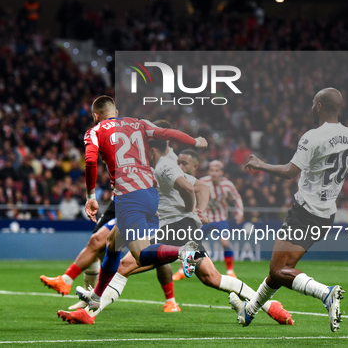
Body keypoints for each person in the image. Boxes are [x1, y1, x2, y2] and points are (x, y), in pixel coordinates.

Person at [230, 88, 348, 332]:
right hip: (326, 216)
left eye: (314, 103)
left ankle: (326, 294)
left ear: (320, 106)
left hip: (304, 212)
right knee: (281, 271)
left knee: (278, 270)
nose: (312, 107)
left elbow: (290, 172)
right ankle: (249, 312)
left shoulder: (312, 136)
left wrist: (261, 165)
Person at [57, 144, 293, 325]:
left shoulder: (175, 174)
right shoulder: (164, 174)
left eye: (185, 162)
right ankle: (271, 305)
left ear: (194, 167)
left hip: (177, 231)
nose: (180, 164)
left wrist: (197, 209)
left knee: (125, 266)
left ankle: (90, 313)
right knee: (212, 277)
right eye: (179, 160)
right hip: (180, 231)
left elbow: (200, 188)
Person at [77, 96, 208, 312]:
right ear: (116, 112)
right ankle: (97, 296)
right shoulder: (138, 123)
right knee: (112, 243)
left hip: (129, 196)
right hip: (150, 192)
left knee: (140, 254)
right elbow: (167, 133)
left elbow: (90, 161)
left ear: (95, 116)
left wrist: (91, 196)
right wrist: (194, 141)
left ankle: (183, 251)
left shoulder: (95, 131)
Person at [41, 119, 185, 313]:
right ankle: (81, 290)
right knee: (104, 241)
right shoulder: (142, 150)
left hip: (149, 210)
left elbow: (182, 189)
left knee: (139, 258)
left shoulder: (166, 162)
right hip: (131, 204)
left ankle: (173, 289)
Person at [174, 160, 244, 280]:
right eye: (212, 170)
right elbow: (192, 194)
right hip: (204, 218)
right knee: (191, 243)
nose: (214, 173)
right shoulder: (203, 182)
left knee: (225, 243)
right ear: (209, 172)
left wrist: (240, 212)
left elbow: (236, 198)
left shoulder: (228, 185)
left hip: (221, 218)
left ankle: (230, 271)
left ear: (221, 172)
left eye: (217, 171)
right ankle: (181, 270)